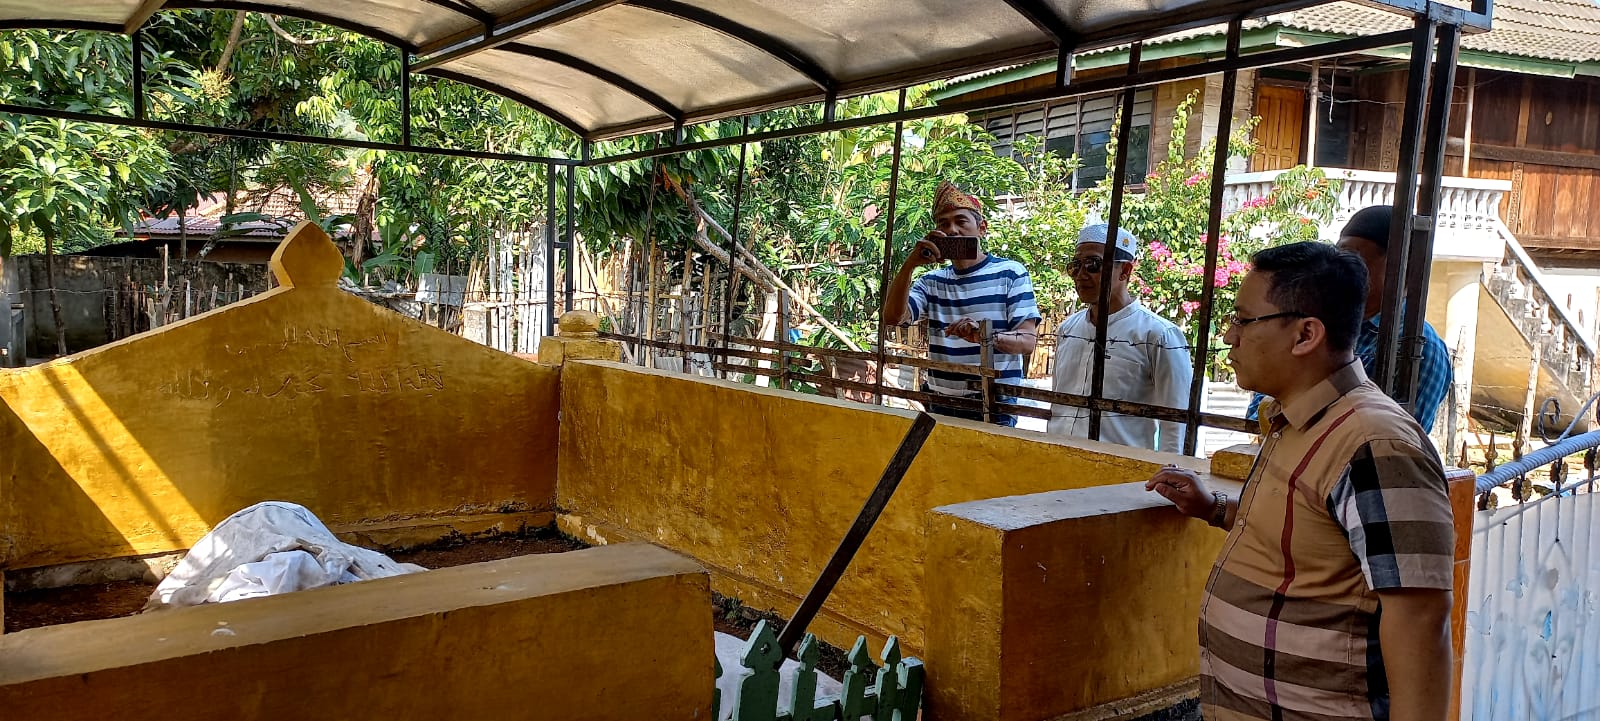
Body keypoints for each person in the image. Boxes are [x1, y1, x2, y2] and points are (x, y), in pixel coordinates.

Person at [1146, 241, 1454, 721]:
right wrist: (1214, 509)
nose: (1229, 336)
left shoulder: (1374, 442)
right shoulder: (1292, 419)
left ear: (1306, 334)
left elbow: (1420, 617)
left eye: (1244, 320)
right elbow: (1314, 538)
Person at [1246, 205, 1453, 433]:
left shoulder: (1421, 349)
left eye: (1353, 258)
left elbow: (1392, 440)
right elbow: (1261, 411)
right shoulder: (1317, 324)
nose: (1339, 268)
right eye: (1339, 255)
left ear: (1402, 269)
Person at [881, 180, 1041, 426]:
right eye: (943, 224)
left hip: (993, 404)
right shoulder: (931, 282)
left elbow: (1028, 342)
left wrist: (984, 337)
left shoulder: (1010, 273)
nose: (952, 230)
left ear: (982, 228)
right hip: (940, 401)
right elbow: (893, 317)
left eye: (961, 221)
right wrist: (910, 264)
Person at [1048, 224, 1192, 453]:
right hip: (1058, 458)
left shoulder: (1158, 335)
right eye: (1075, 266)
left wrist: (1170, 468)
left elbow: (1175, 421)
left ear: (1125, 271)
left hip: (1119, 466)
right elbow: (1058, 406)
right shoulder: (1068, 329)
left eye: (1093, 265)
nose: (1081, 275)